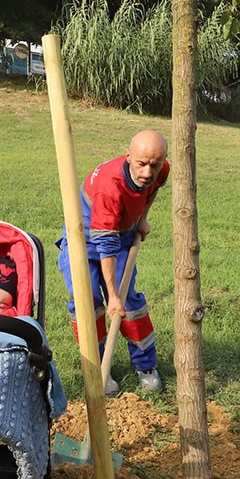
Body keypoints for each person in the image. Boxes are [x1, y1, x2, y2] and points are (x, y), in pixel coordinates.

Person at [57, 130, 170, 395]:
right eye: (141, 164)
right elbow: (105, 246)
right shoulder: (110, 187)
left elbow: (152, 189)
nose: (147, 171)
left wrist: (142, 216)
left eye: (154, 164)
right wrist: (112, 294)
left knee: (129, 303)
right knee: (87, 304)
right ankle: (98, 369)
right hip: (82, 240)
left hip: (122, 233)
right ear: (128, 156)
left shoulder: (159, 169)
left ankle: (146, 366)